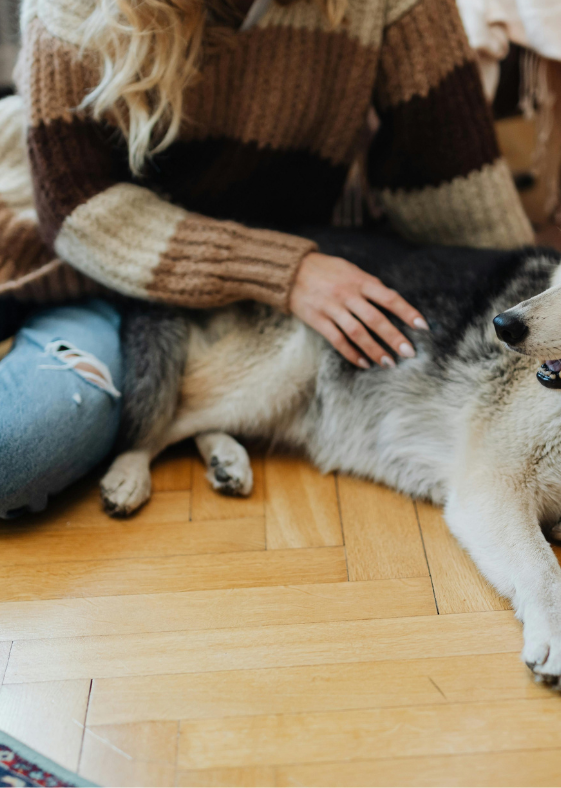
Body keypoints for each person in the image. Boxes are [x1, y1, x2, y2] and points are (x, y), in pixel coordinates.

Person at [0, 0, 533, 517]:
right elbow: (77, 211)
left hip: (261, 303)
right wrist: (282, 269)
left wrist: (537, 312)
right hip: (93, 279)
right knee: (12, 457)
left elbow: (454, 189)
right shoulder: (68, 9)